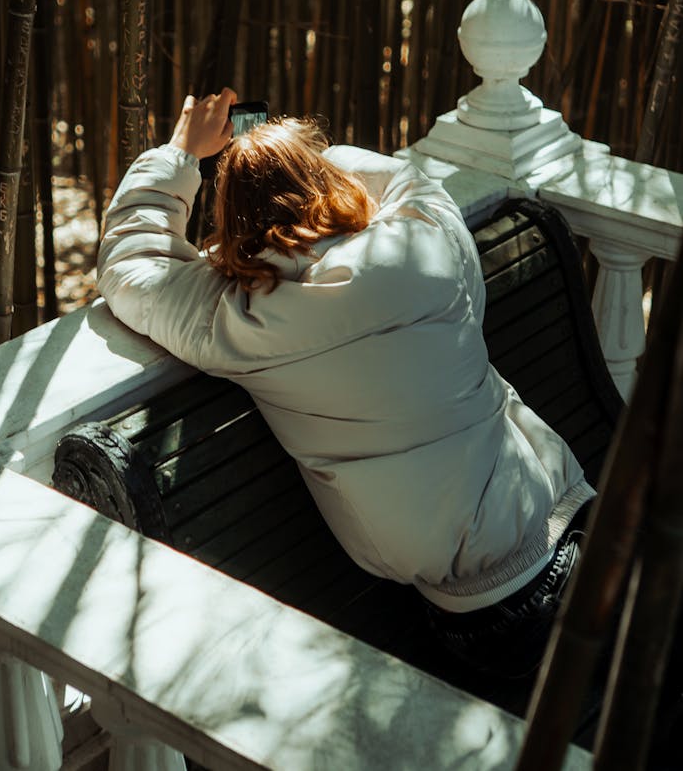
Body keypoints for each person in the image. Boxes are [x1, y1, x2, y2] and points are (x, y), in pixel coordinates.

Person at [97, 88, 594, 679]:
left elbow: (130, 263)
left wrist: (182, 153)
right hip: (561, 537)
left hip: (477, 618)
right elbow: (403, 177)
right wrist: (297, 154)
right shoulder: (424, 238)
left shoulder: (242, 322)